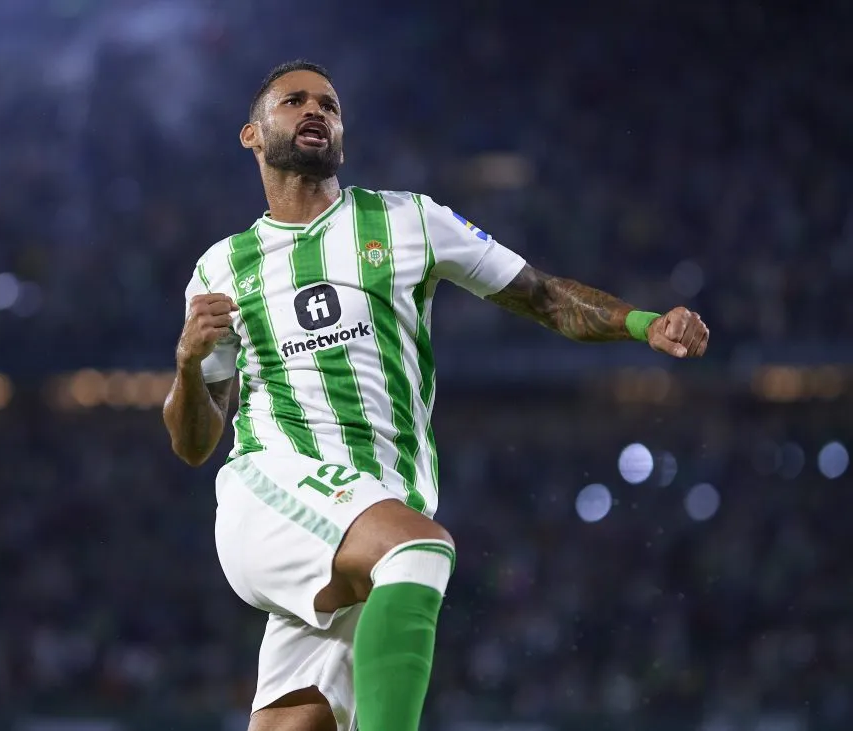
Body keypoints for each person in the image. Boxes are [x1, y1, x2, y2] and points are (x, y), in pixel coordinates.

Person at [163, 60, 709, 731]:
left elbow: (541, 294)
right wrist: (189, 363)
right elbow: (193, 443)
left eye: (329, 105)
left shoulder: (407, 219)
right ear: (251, 134)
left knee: (300, 720)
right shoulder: (221, 267)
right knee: (418, 551)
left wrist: (643, 323)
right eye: (294, 101)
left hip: (366, 514)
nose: (315, 111)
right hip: (277, 489)